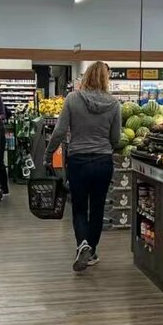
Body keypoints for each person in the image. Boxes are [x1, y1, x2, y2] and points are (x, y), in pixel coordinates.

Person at [44, 61, 121, 271]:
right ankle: (92, 251)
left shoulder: (72, 99)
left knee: (79, 208)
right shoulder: (114, 104)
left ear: (86, 76)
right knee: (97, 208)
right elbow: (116, 138)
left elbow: (59, 131)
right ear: (106, 78)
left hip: (78, 161)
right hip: (103, 162)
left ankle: (82, 244)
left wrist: (48, 154)